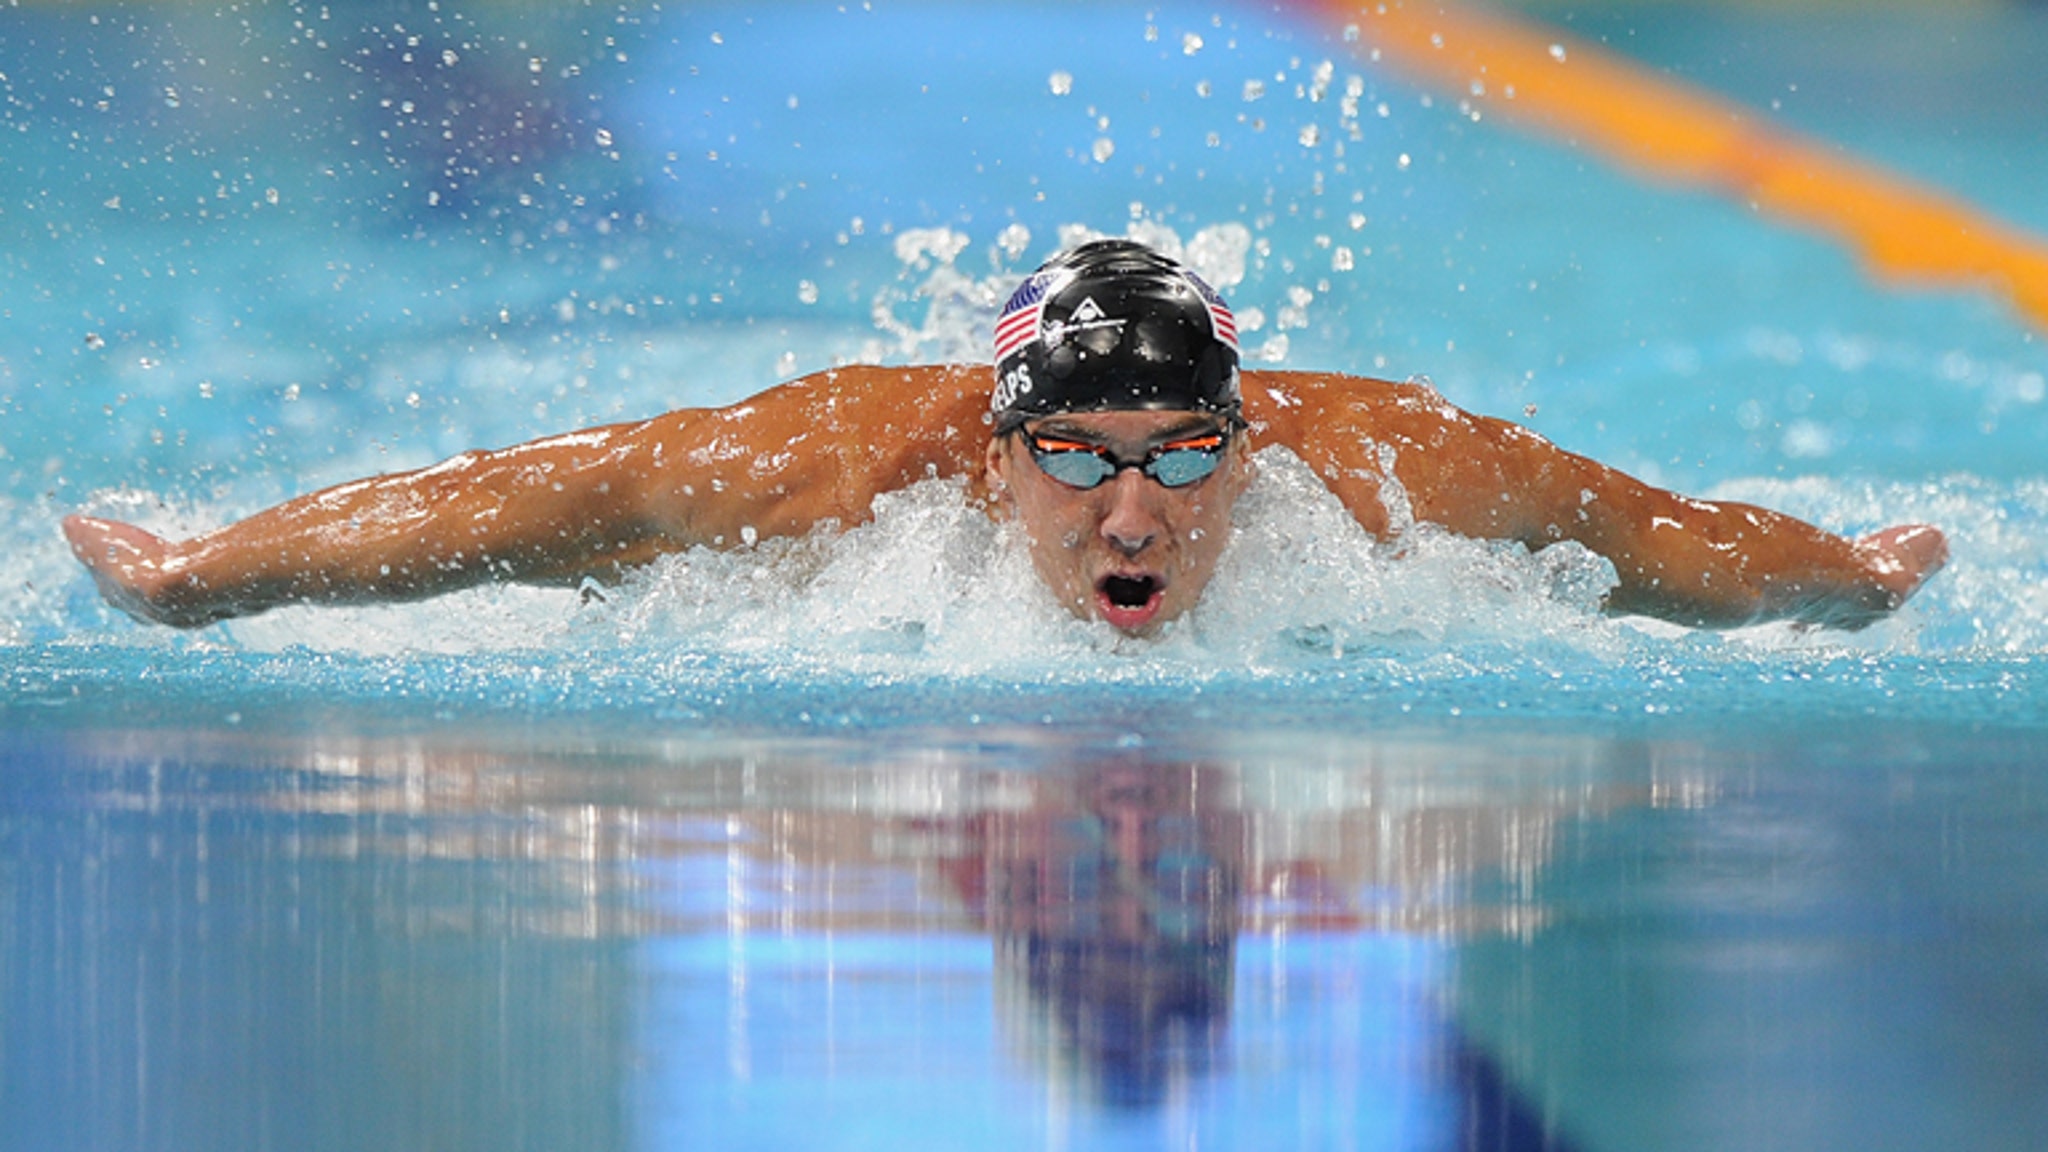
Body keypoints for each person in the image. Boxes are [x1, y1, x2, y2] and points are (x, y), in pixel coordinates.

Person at [63, 239, 1947, 633]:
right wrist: (214, 580)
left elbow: (1670, 543)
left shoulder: (1384, 468)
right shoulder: (840, 464)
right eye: (1082, 455)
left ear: (1242, 441)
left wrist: (1852, 583)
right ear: (996, 449)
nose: (1136, 506)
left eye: (1182, 455)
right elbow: (527, 498)